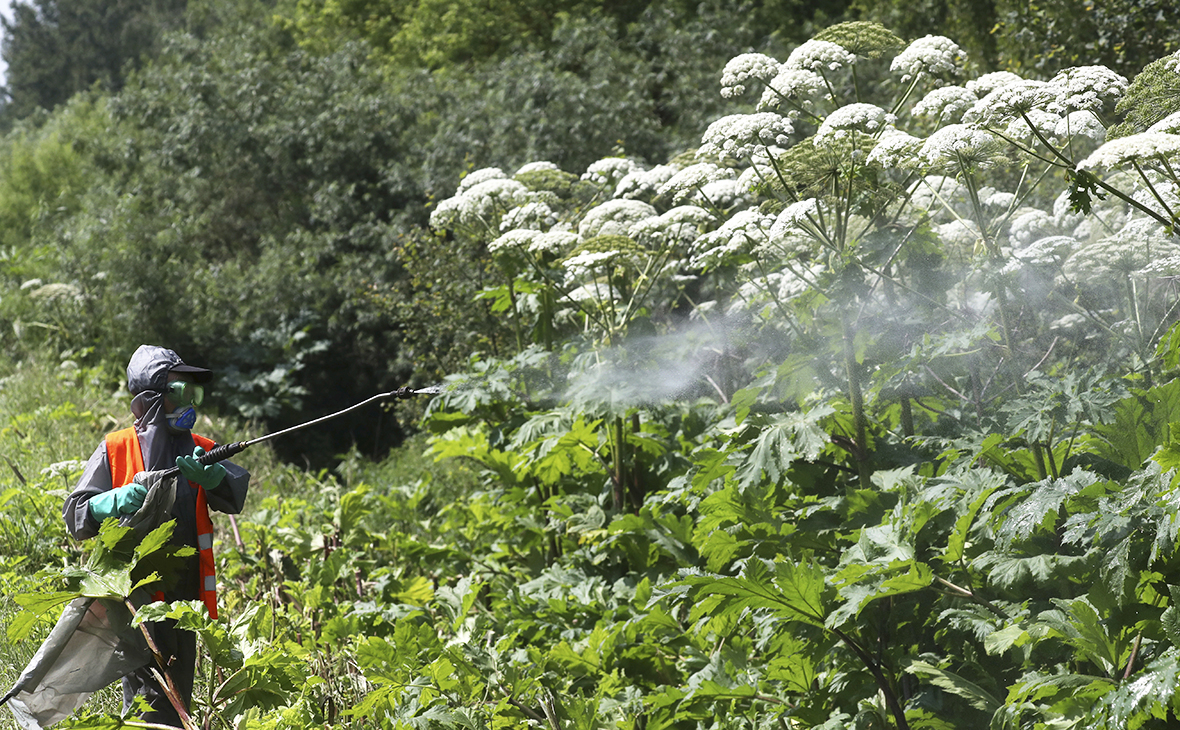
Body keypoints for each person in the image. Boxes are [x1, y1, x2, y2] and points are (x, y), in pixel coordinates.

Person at [63, 345, 249, 727]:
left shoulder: (201, 449)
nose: (190, 403)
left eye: (194, 393)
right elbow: (76, 514)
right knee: (150, 705)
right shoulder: (116, 448)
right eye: (181, 392)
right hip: (138, 602)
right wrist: (111, 501)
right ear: (151, 399)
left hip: (187, 605)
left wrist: (215, 478)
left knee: (179, 696)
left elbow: (234, 493)